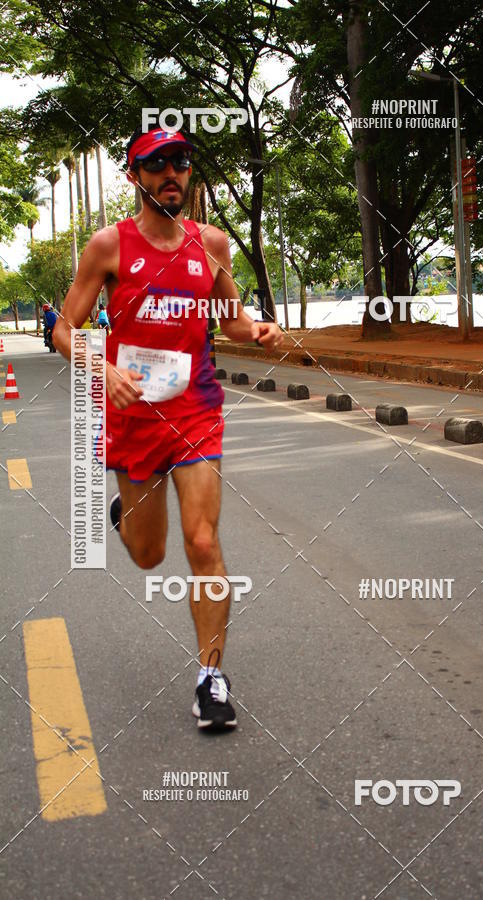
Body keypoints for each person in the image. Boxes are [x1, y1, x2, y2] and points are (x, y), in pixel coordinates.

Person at [53, 125, 283, 731]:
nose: (173, 174)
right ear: (134, 177)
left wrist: (255, 329)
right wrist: (101, 370)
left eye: (181, 162)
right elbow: (63, 330)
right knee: (149, 555)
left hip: (196, 410)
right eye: (158, 165)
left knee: (202, 542)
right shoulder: (107, 248)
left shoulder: (211, 244)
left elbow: (229, 321)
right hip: (133, 417)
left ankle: (211, 680)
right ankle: (126, 516)